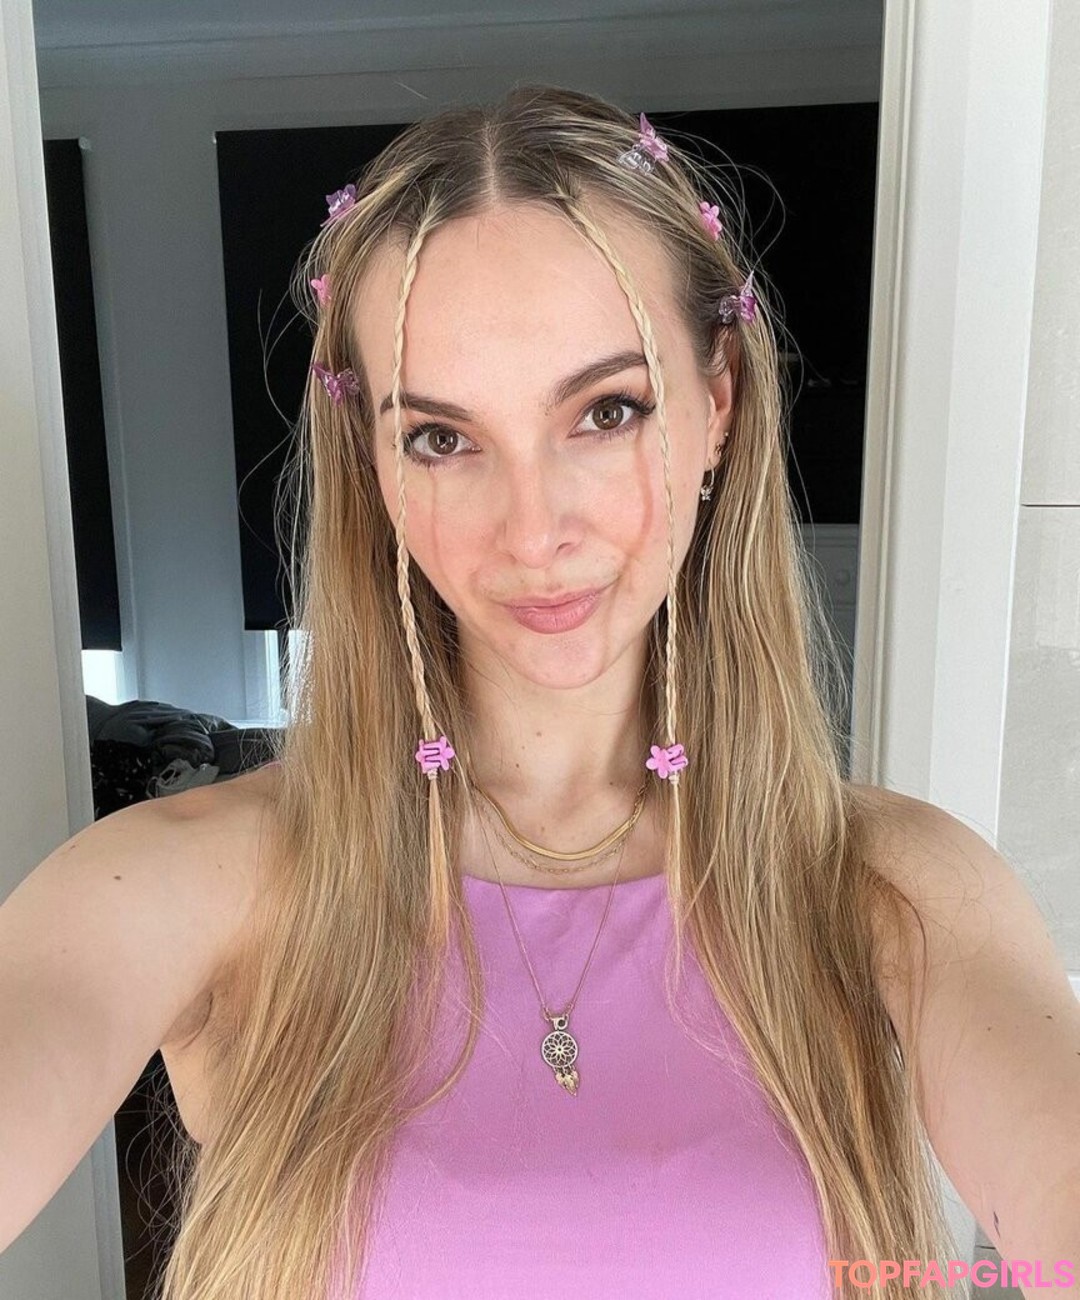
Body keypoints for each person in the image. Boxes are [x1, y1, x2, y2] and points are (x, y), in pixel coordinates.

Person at [2, 84, 1078, 1300]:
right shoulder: (198, 882)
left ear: (719, 402)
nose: (533, 531)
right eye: (442, 437)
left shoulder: (890, 892)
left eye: (606, 411)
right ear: (374, 461)